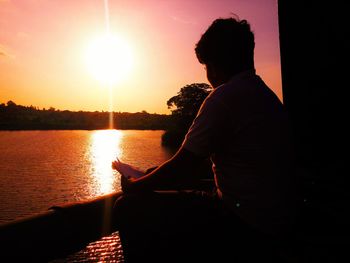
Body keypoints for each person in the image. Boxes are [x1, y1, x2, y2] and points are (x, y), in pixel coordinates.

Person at [111, 16, 298, 262]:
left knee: (127, 207)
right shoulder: (267, 97)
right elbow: (197, 162)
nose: (208, 76)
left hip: (246, 224)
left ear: (216, 64)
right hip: (277, 223)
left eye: (206, 66)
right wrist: (148, 173)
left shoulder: (224, 97)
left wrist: (136, 184)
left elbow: (182, 167)